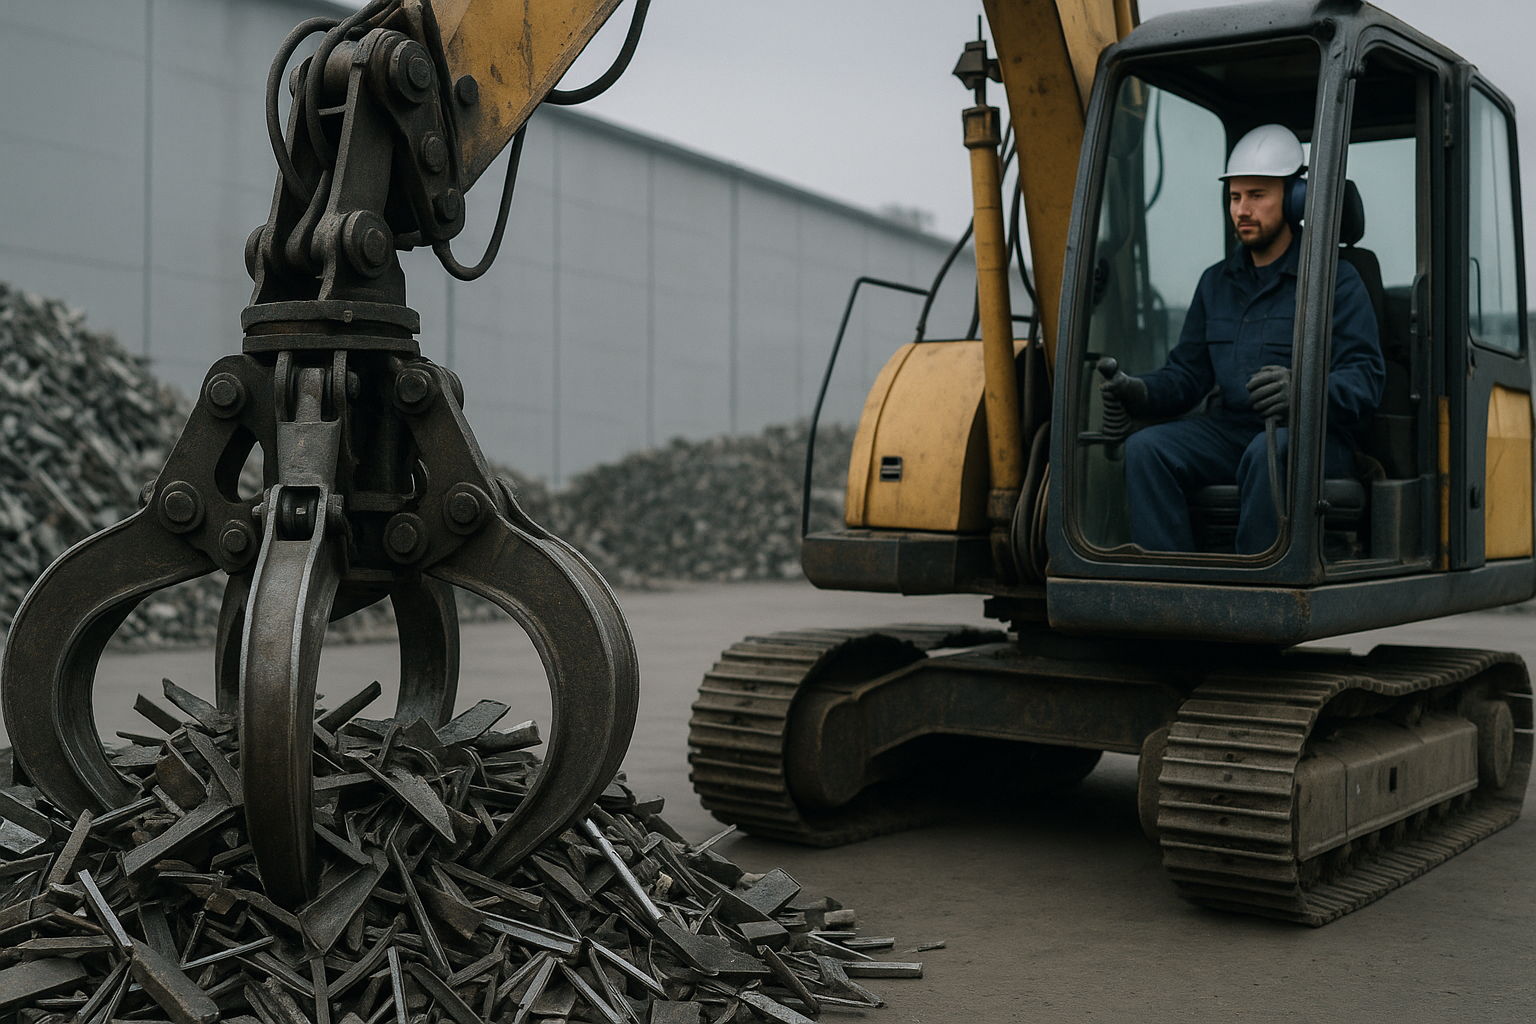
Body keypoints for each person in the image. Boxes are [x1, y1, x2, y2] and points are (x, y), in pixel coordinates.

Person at [1100, 123, 1384, 553]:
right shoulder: (1215, 283)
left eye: (1257, 195)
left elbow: (1366, 379)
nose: (1241, 210)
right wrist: (1139, 390)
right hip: (1232, 433)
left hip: (1313, 437)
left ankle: (1258, 594)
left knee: (1267, 450)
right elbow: (1187, 373)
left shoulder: (1335, 281)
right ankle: (1172, 595)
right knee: (1147, 448)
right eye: (1235, 197)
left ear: (1293, 200)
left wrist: (1302, 392)